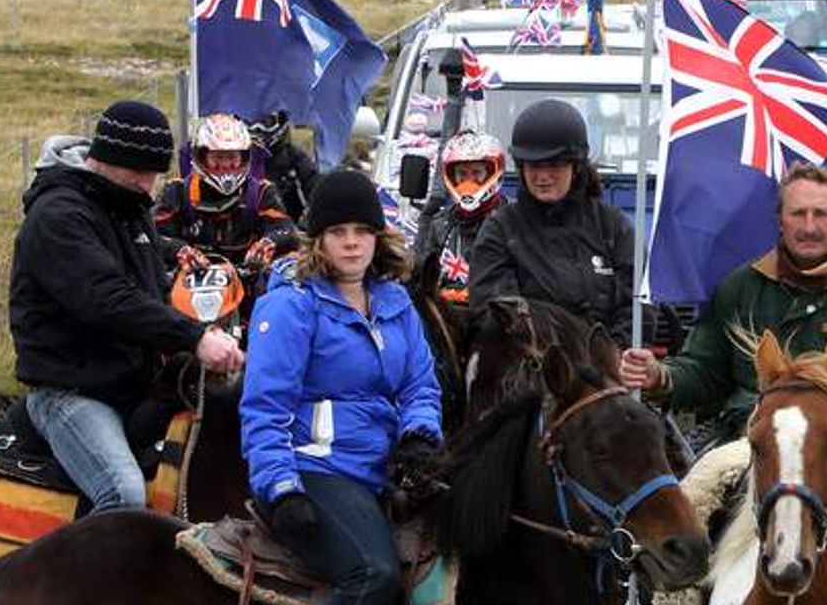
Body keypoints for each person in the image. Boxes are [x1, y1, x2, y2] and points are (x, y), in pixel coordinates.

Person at [616, 164, 827, 605]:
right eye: (798, 214)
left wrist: (820, 433)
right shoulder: (740, 288)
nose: (809, 226)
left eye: (821, 214)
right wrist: (664, 376)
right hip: (747, 441)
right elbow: (706, 370)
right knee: (674, 527)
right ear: (780, 219)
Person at [9, 101, 246, 513]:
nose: (148, 184)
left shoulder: (127, 208)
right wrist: (195, 338)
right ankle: (79, 577)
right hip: (70, 393)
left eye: (153, 173)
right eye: (140, 171)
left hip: (132, 385)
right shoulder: (58, 217)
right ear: (109, 160)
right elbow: (109, 299)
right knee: (124, 494)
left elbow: (153, 291)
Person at [242, 169, 444, 605]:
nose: (352, 242)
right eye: (337, 231)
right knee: (374, 574)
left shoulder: (396, 302)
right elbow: (264, 408)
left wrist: (420, 435)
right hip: (317, 468)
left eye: (362, 231)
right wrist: (281, 489)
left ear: (378, 237)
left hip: (385, 465)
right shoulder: (290, 305)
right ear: (318, 239)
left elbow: (420, 386)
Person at [467, 99, 635, 344]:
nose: (543, 176)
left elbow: (638, 307)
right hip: (530, 368)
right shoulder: (501, 229)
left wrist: (610, 357)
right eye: (533, 165)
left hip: (606, 369)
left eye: (554, 164)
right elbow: (494, 312)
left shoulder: (613, 227)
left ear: (575, 165)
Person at [154, 113, 298, 274]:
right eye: (217, 157)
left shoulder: (261, 191)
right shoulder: (177, 190)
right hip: (189, 279)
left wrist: (268, 243)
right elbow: (151, 235)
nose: (225, 164)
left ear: (243, 157)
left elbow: (288, 231)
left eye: (232, 157)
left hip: (247, 280)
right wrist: (179, 250)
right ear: (201, 157)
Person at [415, 129, 508, 306]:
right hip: (450, 319)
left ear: (492, 174)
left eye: (476, 173)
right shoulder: (440, 225)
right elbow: (423, 279)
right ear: (452, 176)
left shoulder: (512, 222)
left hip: (498, 319)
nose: (468, 182)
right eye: (462, 174)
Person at [251, 110, 320, 220]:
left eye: (266, 122)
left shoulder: (294, 158)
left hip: (290, 229)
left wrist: (304, 226)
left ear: (281, 124)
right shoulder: (238, 157)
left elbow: (317, 194)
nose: (258, 128)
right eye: (252, 122)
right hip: (245, 231)